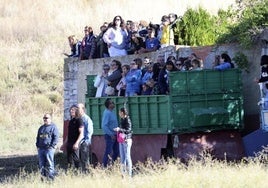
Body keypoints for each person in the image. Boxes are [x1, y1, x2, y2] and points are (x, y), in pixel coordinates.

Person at [36, 113, 59, 180]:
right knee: (41, 164)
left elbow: (56, 138)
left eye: (47, 118)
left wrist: (52, 146)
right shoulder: (41, 128)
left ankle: (51, 178)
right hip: (41, 149)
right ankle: (43, 178)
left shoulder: (53, 127)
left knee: (50, 164)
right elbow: (38, 137)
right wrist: (37, 145)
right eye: (44, 118)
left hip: (49, 149)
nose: (45, 119)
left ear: (50, 119)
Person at [60, 105, 84, 169]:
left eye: (73, 110)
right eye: (70, 110)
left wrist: (76, 143)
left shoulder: (79, 120)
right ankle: (71, 174)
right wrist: (64, 144)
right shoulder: (70, 121)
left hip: (75, 143)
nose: (71, 111)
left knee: (76, 159)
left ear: (77, 111)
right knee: (69, 160)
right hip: (69, 143)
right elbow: (68, 134)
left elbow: (81, 133)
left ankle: (79, 173)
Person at [114, 107, 133, 177]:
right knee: (122, 157)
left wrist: (120, 129)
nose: (119, 114)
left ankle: (129, 174)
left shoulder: (127, 120)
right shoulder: (122, 119)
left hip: (126, 140)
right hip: (121, 140)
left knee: (127, 157)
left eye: (119, 112)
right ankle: (123, 174)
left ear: (122, 112)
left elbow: (129, 130)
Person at [102, 98, 119, 167]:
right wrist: (111, 134)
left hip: (115, 135)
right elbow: (104, 125)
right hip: (110, 136)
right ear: (109, 105)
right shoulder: (107, 113)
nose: (113, 104)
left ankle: (112, 165)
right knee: (108, 152)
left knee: (116, 152)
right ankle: (104, 166)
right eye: (112, 103)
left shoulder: (112, 112)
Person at [78, 103, 93, 173]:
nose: (77, 110)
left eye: (78, 108)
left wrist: (85, 143)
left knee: (85, 160)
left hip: (84, 143)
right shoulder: (77, 119)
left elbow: (89, 132)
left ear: (83, 109)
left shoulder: (87, 119)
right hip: (78, 143)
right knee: (79, 160)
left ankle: (86, 174)